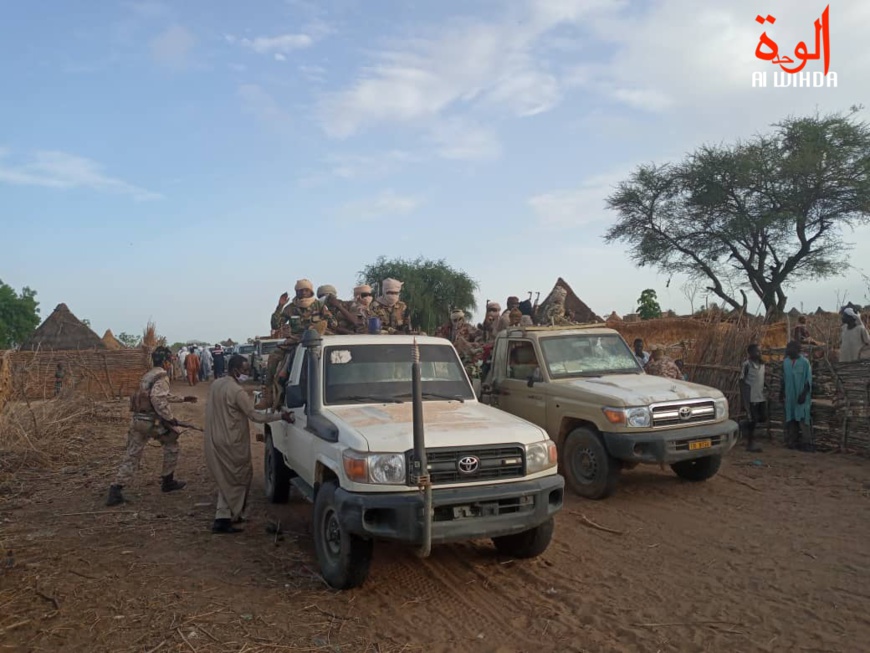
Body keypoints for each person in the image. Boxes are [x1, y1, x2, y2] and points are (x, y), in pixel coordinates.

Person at [205, 355, 294, 533]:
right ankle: (230, 515)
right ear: (235, 370)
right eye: (244, 370)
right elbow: (255, 416)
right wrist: (280, 416)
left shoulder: (216, 384)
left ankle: (223, 516)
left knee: (225, 477)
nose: (247, 373)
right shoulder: (237, 391)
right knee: (240, 477)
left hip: (215, 439)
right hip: (232, 441)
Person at [106, 346, 198, 506]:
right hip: (151, 422)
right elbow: (157, 398)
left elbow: (156, 395)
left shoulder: (149, 375)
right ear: (166, 361)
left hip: (138, 420)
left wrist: (182, 399)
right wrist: (169, 418)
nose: (171, 363)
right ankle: (168, 481)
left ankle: (116, 489)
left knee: (132, 454)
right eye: (170, 361)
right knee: (172, 444)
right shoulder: (162, 376)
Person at [259, 279, 336, 409]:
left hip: (316, 339)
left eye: (306, 290)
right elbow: (276, 325)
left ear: (311, 291)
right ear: (296, 292)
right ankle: (268, 395)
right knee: (273, 358)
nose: (303, 293)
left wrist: (323, 321)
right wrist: (280, 306)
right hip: (295, 340)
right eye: (300, 290)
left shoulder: (319, 305)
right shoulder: (290, 308)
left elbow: (333, 323)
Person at [780, 340, 813, 451]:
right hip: (790, 395)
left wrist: (803, 394)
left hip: (801, 395)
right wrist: (781, 392)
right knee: (791, 418)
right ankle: (792, 441)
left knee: (803, 418)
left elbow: (808, 380)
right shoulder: (786, 362)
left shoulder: (805, 362)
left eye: (789, 348)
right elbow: (783, 379)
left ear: (796, 350)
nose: (787, 350)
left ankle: (806, 443)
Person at [738, 344, 766, 453]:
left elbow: (761, 378)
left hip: (761, 396)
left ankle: (741, 425)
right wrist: (744, 397)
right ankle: (750, 444)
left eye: (759, 351)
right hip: (751, 397)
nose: (759, 353)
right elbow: (741, 381)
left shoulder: (762, 364)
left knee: (763, 417)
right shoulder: (747, 365)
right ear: (750, 353)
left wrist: (766, 387)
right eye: (756, 351)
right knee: (753, 420)